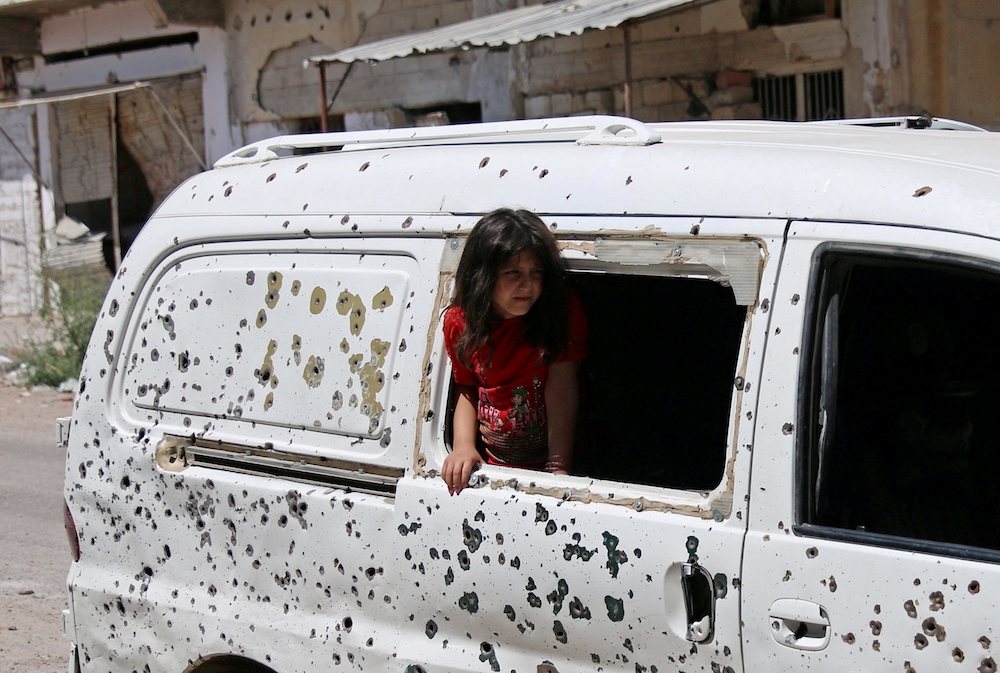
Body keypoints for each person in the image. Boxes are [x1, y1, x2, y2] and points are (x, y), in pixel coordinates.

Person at [441, 208, 587, 495]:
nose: (528, 284)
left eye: (536, 272)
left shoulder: (561, 313)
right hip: (494, 467)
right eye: (513, 272)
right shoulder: (460, 322)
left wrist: (557, 467)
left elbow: (562, 387)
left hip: (554, 459)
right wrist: (463, 448)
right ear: (483, 276)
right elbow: (466, 387)